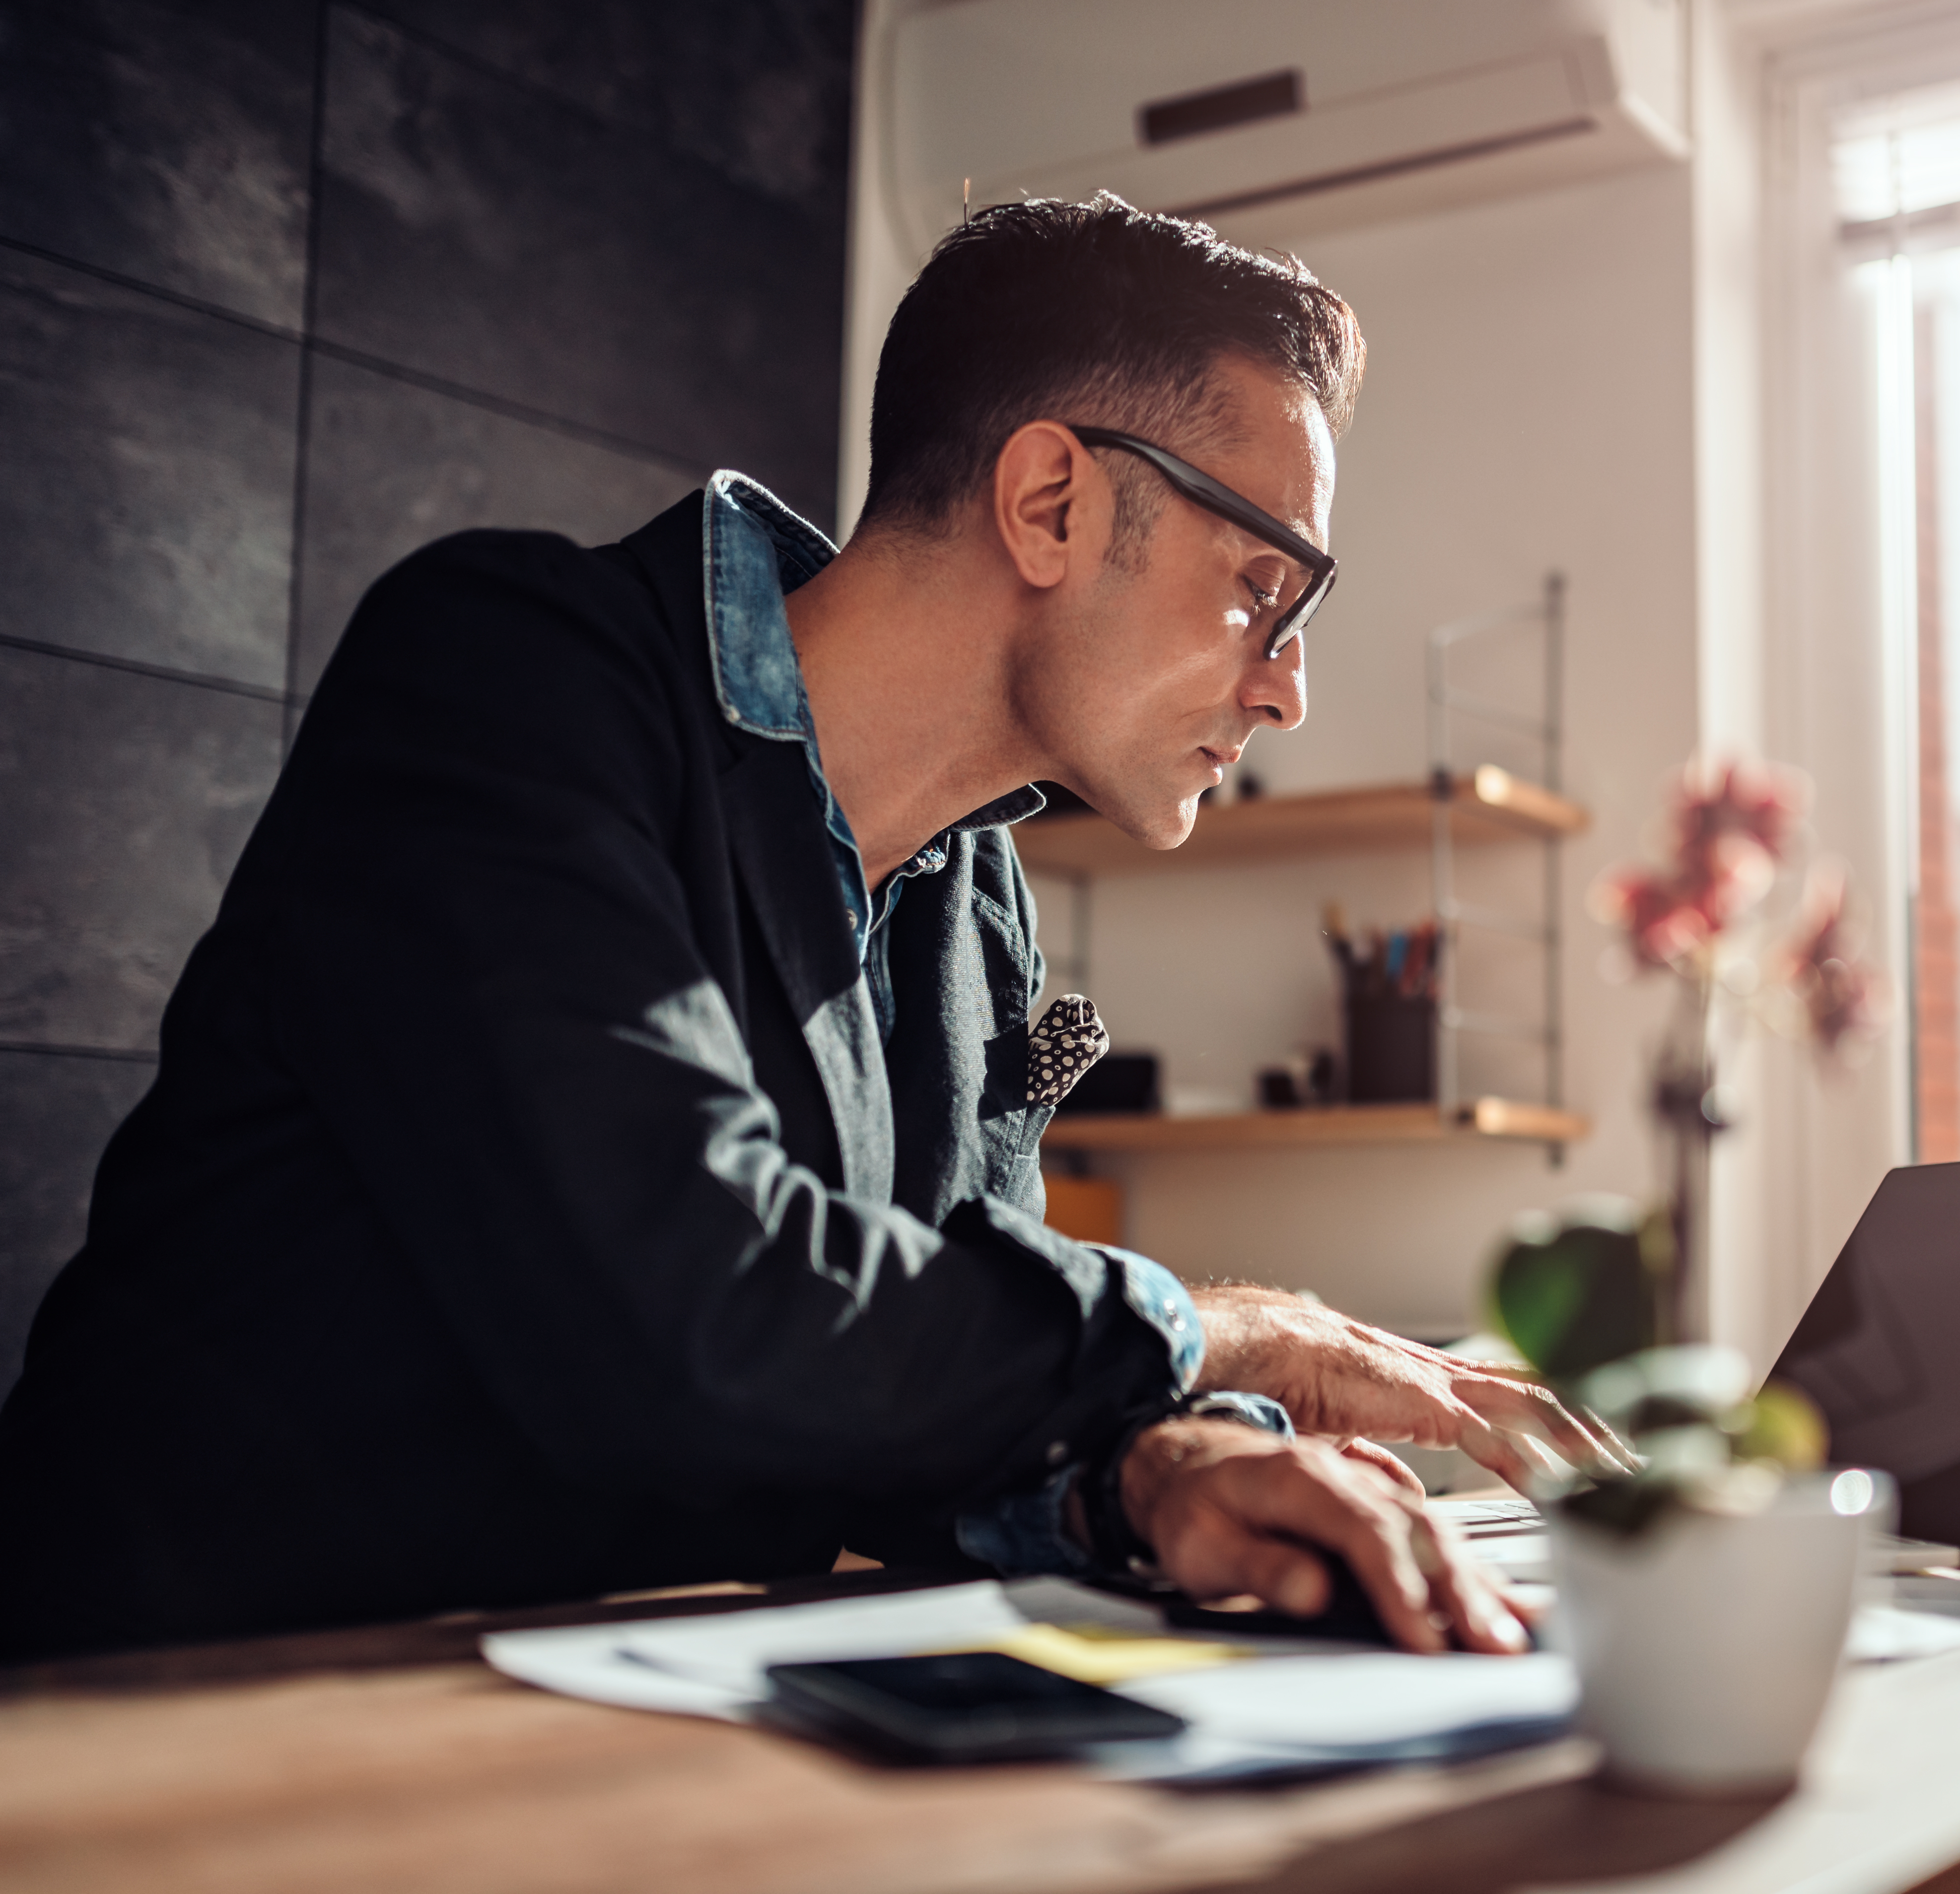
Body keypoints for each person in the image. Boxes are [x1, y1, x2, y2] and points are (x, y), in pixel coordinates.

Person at [0, 197, 1613, 1666]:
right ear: (1049, 501)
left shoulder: (977, 907)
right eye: (1262, 585)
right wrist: (1204, 1331)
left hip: (601, 1726)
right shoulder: (509, 681)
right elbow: (692, 1317)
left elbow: (909, 1392)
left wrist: (1147, 1476)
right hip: (157, 1721)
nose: (1285, 685)